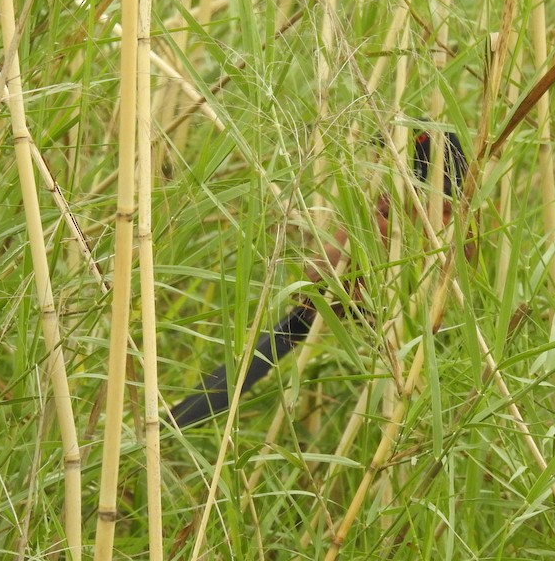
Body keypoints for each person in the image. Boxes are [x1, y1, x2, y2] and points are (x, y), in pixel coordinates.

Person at [171, 129, 467, 427]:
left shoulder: (430, 211)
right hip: (344, 301)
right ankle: (181, 420)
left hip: (354, 302)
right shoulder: (407, 208)